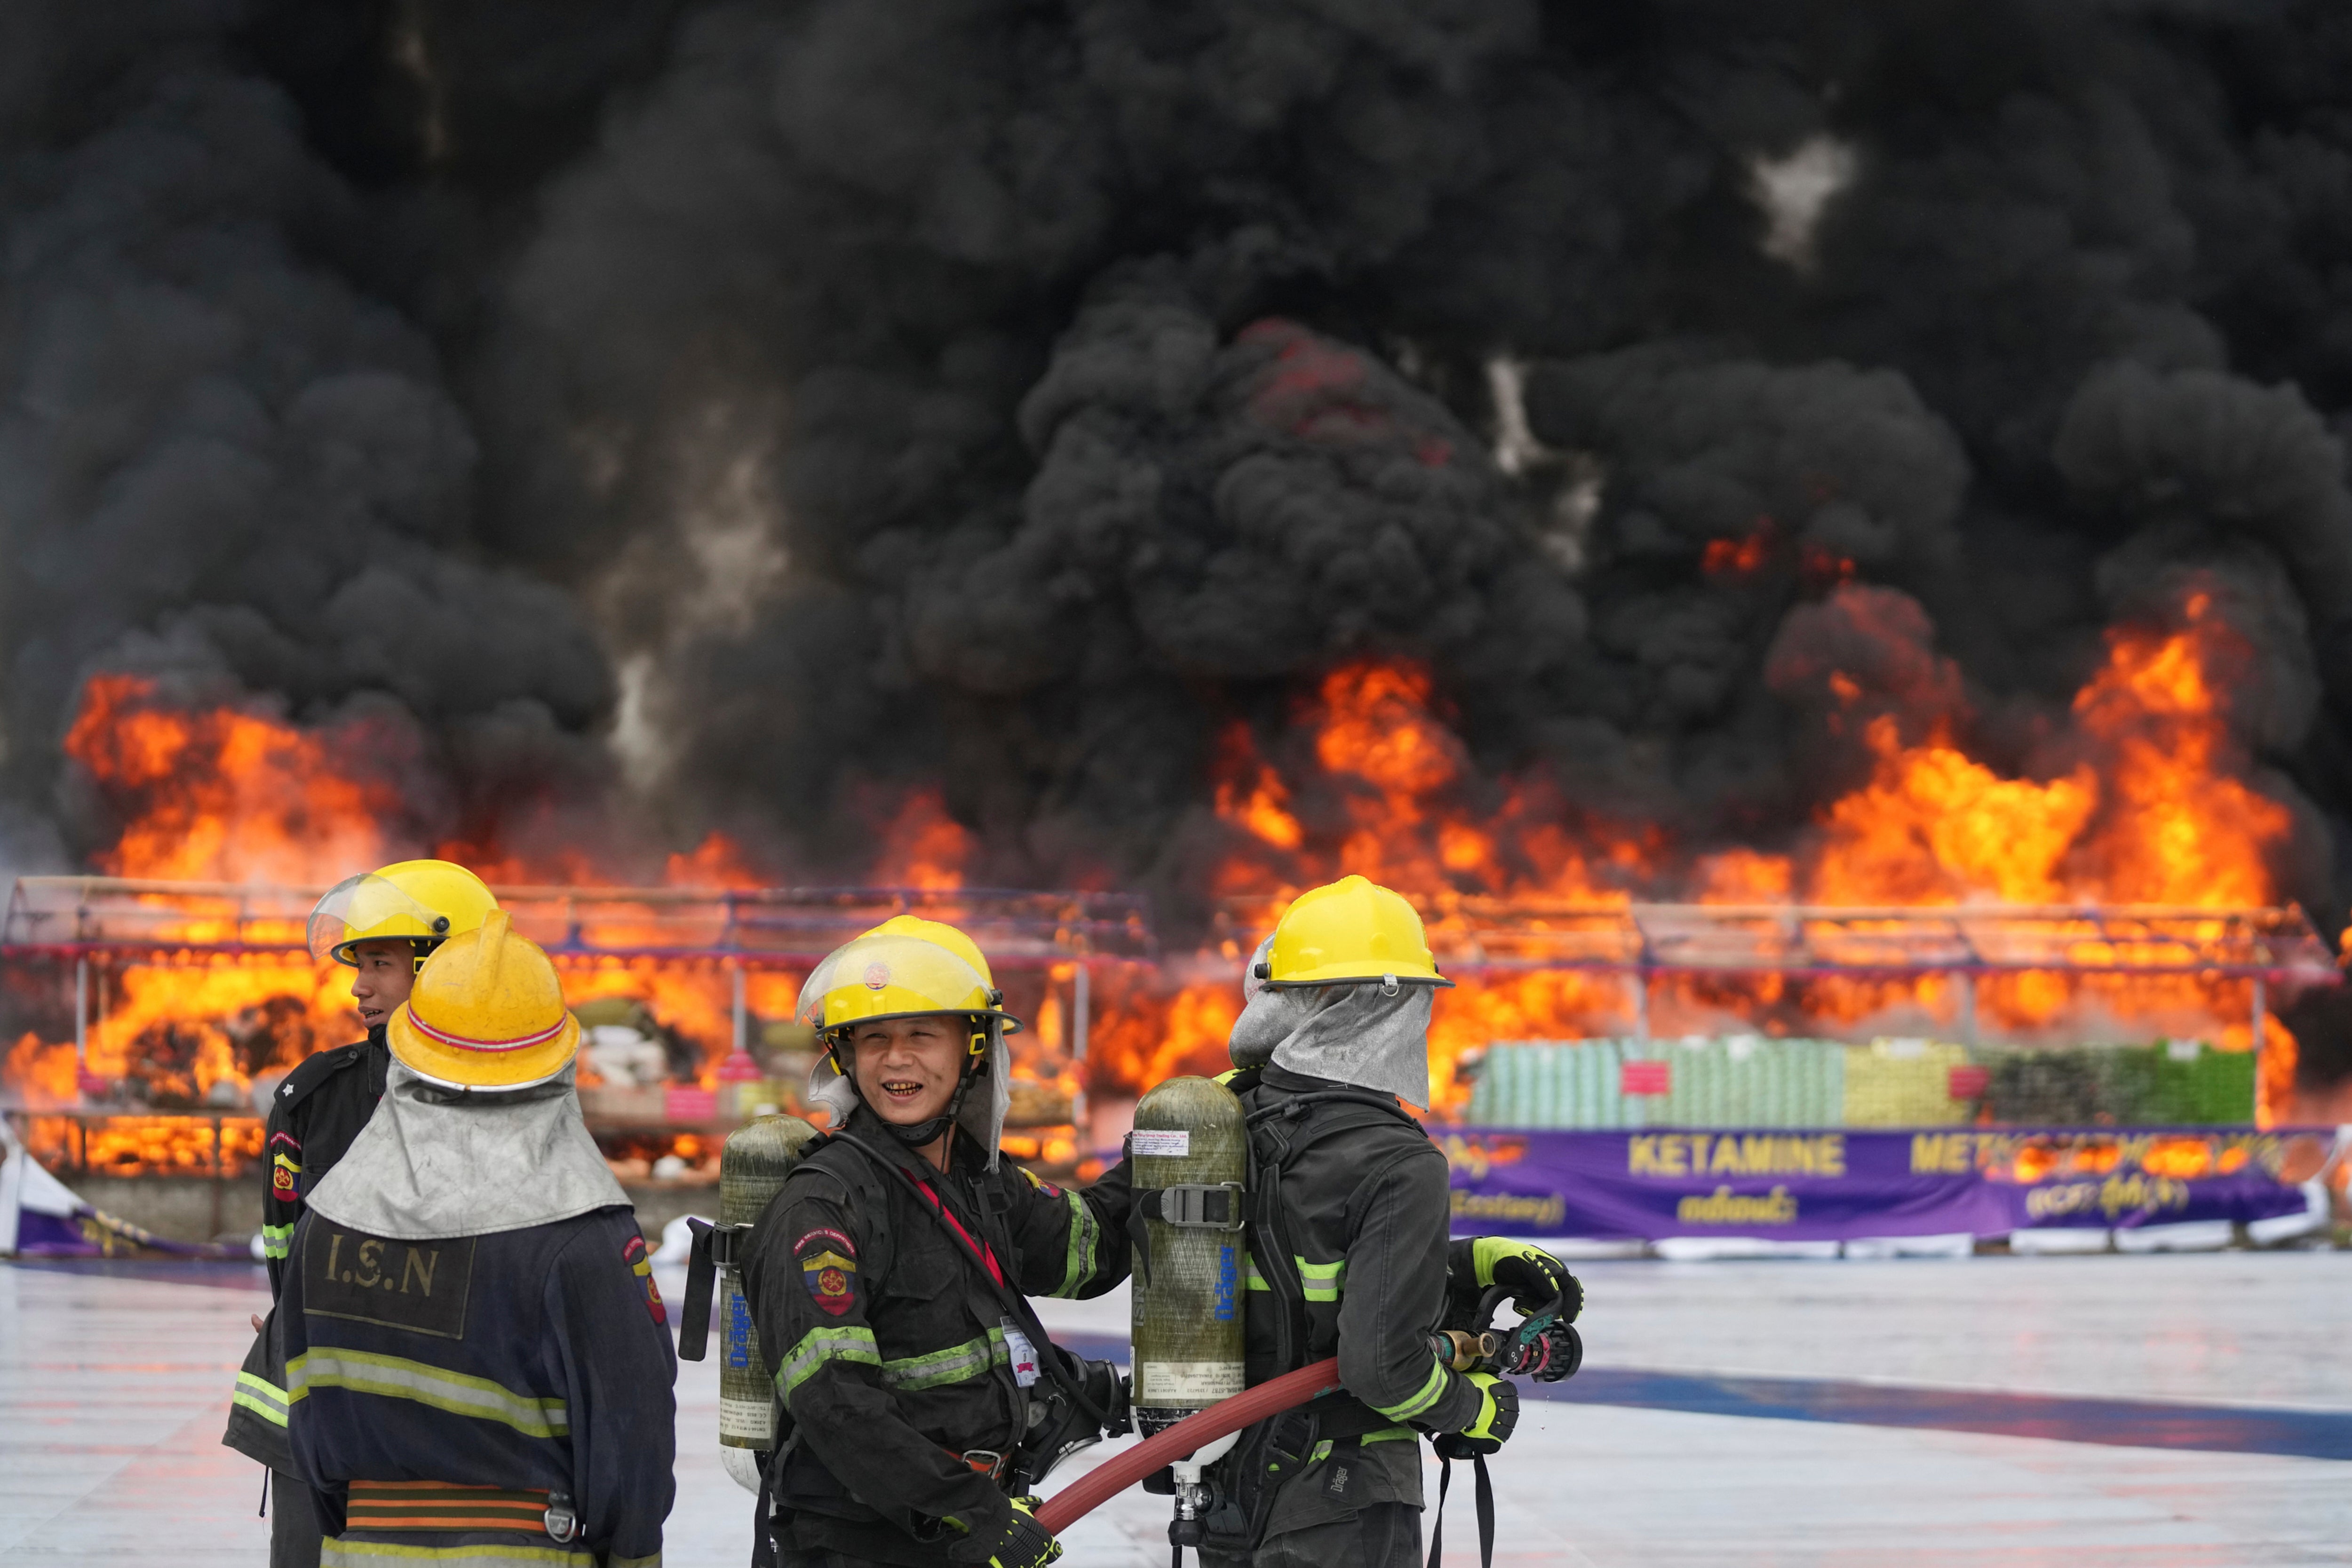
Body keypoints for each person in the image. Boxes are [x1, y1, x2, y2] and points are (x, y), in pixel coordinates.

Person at [274, 908, 676, 1567]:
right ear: (555, 1064)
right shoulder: (582, 1235)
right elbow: (632, 1425)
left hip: (363, 1547)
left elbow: (305, 1408)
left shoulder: (328, 1218)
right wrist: (632, 1554)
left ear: (410, 1054)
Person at [1197, 874, 1578, 1568]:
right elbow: (1383, 1369)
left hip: (1227, 1487)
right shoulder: (1402, 1162)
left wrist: (1462, 1263)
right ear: (1392, 1004)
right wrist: (1474, 1410)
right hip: (1343, 1500)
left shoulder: (1222, 1120)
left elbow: (1300, 1265)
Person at [738, 915, 1130, 1568]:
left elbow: (1092, 1252)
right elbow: (837, 1403)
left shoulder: (980, 1183)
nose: (897, 1058)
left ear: (974, 1048)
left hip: (959, 1532)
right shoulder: (824, 1206)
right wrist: (977, 1514)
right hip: (863, 1547)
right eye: (875, 1039)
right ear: (844, 1056)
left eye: (922, 1034)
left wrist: (1171, 1149)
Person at [223, 859, 501, 1567]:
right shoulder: (314, 1100)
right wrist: (299, 1315)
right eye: (358, 963)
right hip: (315, 1415)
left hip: (453, 1422)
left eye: (381, 963)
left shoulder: (506, 1105)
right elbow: (283, 1244)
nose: (358, 985)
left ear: (445, 968)